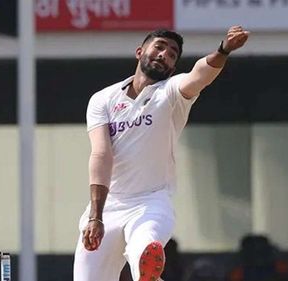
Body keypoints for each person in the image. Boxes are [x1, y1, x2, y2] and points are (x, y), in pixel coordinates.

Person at [73, 26, 250, 281]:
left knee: (144, 250)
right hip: (108, 206)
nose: (165, 54)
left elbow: (199, 75)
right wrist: (95, 216)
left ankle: (148, 273)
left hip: (150, 202)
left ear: (172, 67)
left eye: (172, 54)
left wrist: (224, 50)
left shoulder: (171, 93)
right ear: (140, 51)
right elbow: (101, 155)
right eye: (159, 47)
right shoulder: (103, 100)